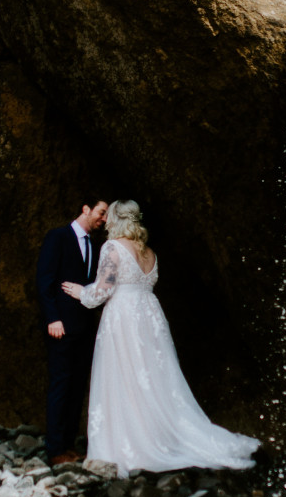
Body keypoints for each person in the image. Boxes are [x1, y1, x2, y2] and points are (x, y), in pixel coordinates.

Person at [61, 199, 259, 474]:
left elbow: (104, 290)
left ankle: (131, 444)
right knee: (154, 377)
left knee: (126, 376)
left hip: (125, 317)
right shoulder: (150, 253)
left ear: (117, 220)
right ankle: (156, 435)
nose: (105, 222)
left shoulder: (113, 247)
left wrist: (81, 292)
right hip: (150, 316)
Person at [36, 200, 108, 464]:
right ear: (86, 209)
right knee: (60, 385)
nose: (103, 219)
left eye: (107, 216)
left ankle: (68, 444)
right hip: (60, 327)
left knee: (77, 386)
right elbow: (44, 281)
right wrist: (52, 318)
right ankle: (55, 450)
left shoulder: (96, 246)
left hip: (84, 326)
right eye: (101, 213)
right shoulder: (58, 237)